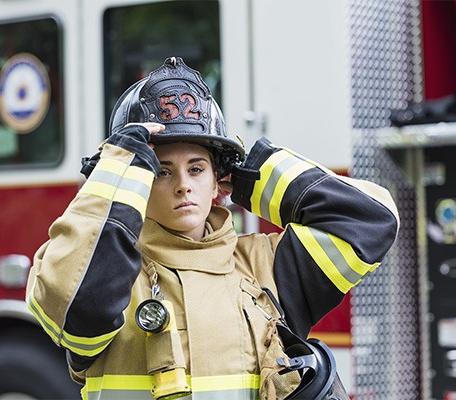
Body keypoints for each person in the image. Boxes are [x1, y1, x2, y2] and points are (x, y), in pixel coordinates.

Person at [26, 57, 399, 400]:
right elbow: (75, 303)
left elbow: (371, 219)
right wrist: (119, 168)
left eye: (197, 168)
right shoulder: (111, 277)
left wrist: (250, 174)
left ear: (217, 181)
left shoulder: (264, 266)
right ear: (135, 181)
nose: (183, 185)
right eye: (161, 171)